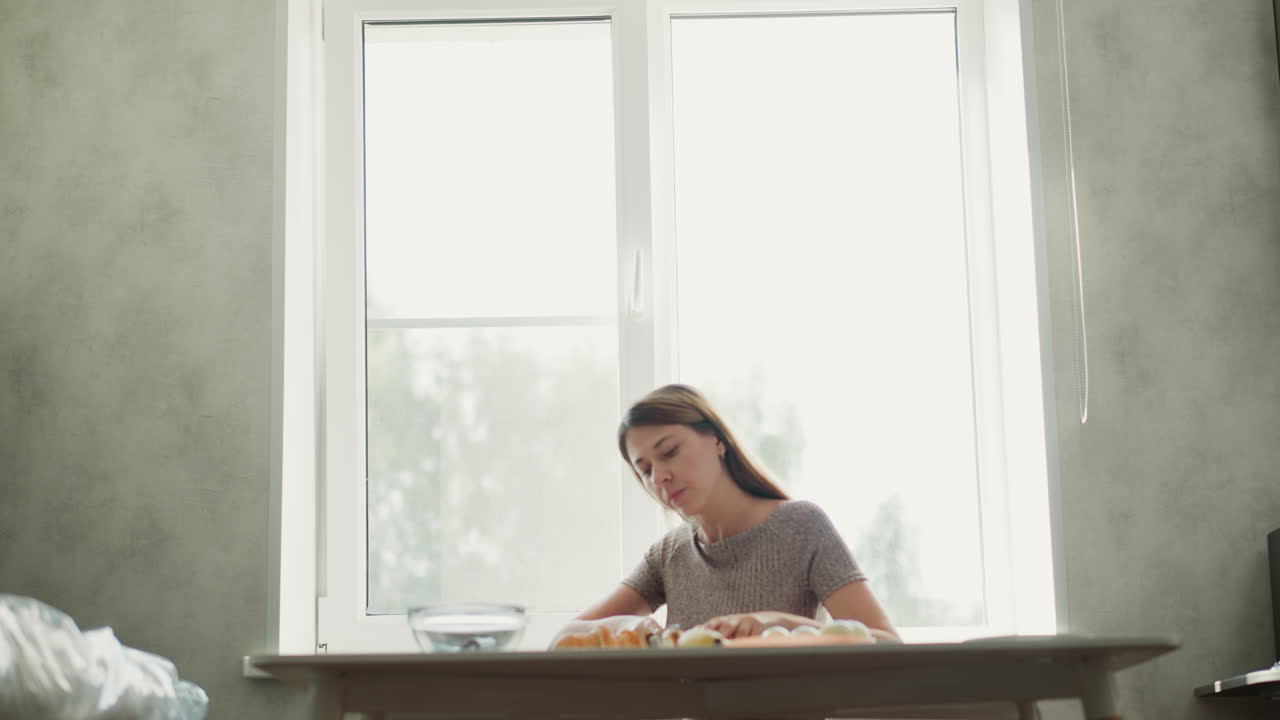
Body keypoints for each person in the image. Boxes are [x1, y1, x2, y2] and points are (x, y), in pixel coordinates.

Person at [552, 384, 900, 646]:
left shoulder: (802, 527)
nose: (658, 478)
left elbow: (886, 645)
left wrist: (778, 623)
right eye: (644, 470)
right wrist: (629, 627)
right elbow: (565, 639)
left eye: (669, 452)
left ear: (718, 441)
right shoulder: (669, 554)